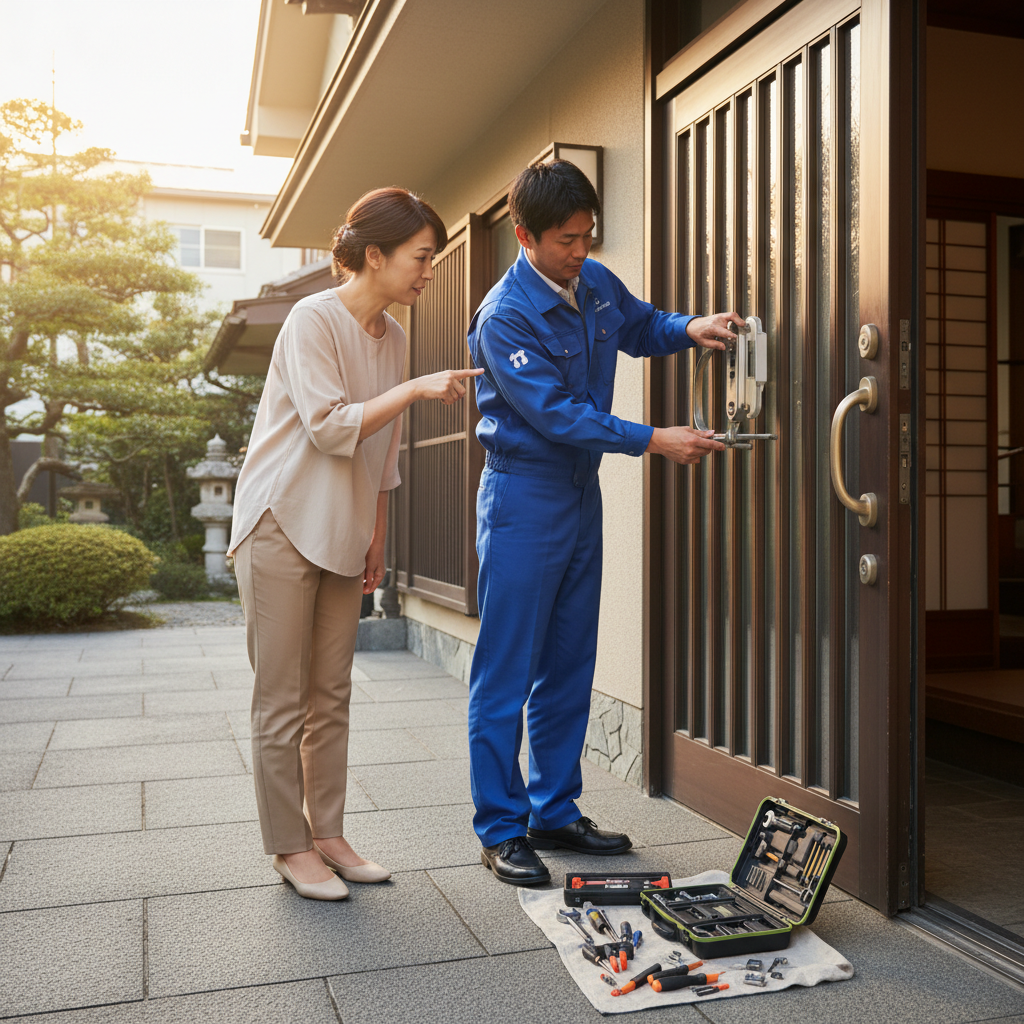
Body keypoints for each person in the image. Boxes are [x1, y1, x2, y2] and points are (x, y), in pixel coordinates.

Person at [467, 160, 741, 885]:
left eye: (588, 235)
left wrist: (693, 327)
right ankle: (500, 829)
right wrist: (655, 439)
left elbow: (642, 325)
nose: (580, 250)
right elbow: (557, 415)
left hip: (578, 495)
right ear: (524, 235)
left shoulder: (593, 282)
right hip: (523, 498)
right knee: (506, 670)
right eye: (566, 240)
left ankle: (554, 811)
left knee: (569, 661)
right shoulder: (504, 317)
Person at [229, 187, 482, 900]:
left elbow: (383, 452)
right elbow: (330, 425)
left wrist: (378, 537)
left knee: (331, 694)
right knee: (281, 698)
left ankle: (329, 835)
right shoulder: (312, 318)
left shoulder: (393, 338)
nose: (428, 271)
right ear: (375, 255)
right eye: (420, 257)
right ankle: (290, 847)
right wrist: (416, 389)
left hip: (343, 528)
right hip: (281, 520)